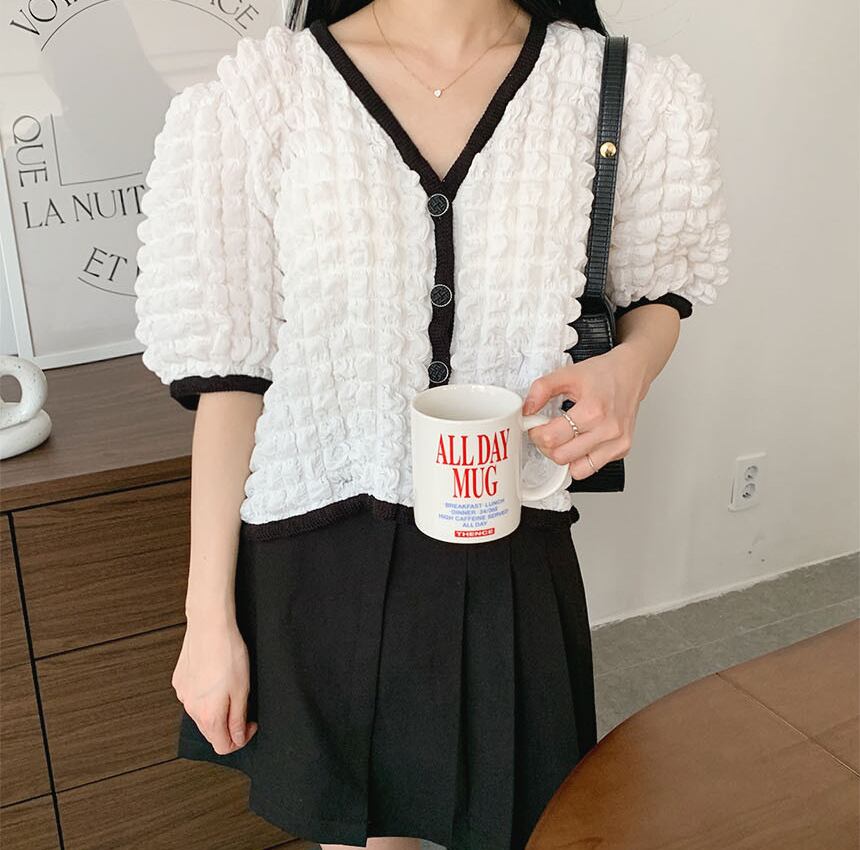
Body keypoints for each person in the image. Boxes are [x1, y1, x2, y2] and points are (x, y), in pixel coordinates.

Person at [133, 1, 730, 848]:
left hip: (506, 541)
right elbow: (233, 379)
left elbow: (656, 285)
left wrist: (629, 369)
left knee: (524, 824)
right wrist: (207, 620)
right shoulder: (261, 95)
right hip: (317, 554)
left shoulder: (622, 90)